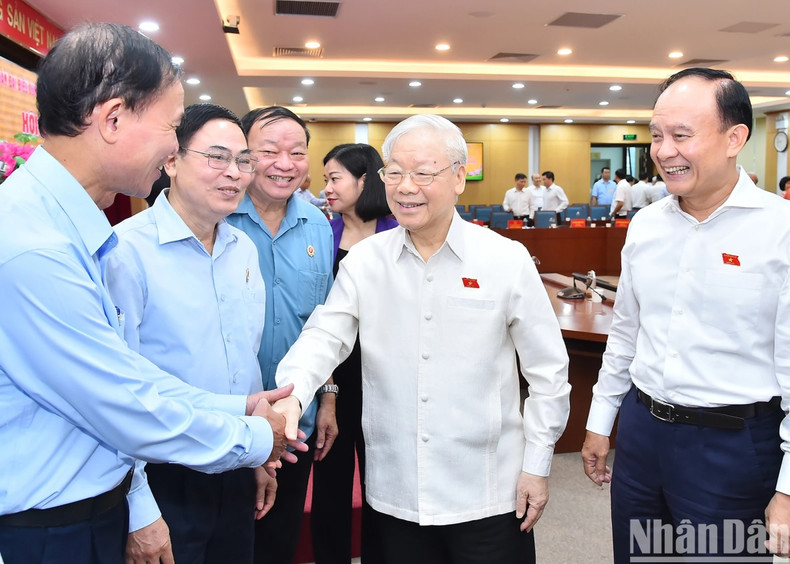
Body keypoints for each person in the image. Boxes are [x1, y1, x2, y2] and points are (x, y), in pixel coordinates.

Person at [0, 23, 301, 564]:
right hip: (52, 526)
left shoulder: (68, 228)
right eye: (170, 126)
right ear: (113, 118)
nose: (171, 144)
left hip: (92, 504)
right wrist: (254, 439)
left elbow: (128, 374)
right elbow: (120, 404)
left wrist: (237, 407)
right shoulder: (36, 247)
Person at [274, 114, 571, 564]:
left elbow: (548, 373)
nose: (405, 186)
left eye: (423, 172)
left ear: (458, 178)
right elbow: (323, 336)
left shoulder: (504, 260)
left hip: (488, 492)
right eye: (394, 172)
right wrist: (291, 397)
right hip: (395, 494)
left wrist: (538, 465)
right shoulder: (365, 262)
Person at [581, 67, 790, 562]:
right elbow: (627, 333)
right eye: (656, 136)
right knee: (641, 557)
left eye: (681, 135)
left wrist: (788, 489)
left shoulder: (779, 231)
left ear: (735, 137)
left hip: (732, 450)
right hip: (641, 438)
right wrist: (599, 420)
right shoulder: (647, 225)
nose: (663, 150)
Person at [105, 103, 272, 563]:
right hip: (165, 473)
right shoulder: (125, 251)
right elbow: (119, 389)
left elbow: (247, 359)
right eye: (217, 157)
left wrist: (257, 453)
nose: (234, 173)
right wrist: (138, 507)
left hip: (237, 458)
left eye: (243, 160)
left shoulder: (244, 248)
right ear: (172, 161)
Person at [226, 106, 337, 564]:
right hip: (229, 421)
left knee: (280, 541)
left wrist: (328, 397)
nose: (284, 163)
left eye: (297, 152)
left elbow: (325, 321)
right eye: (269, 151)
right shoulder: (218, 215)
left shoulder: (318, 224)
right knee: (228, 544)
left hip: (295, 423)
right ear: (244, 156)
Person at [310, 143, 398, 564]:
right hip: (335, 377)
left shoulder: (400, 231)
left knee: (385, 483)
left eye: (334, 178)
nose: (326, 187)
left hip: (389, 376)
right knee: (331, 479)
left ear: (364, 181)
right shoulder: (322, 236)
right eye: (325, 178)